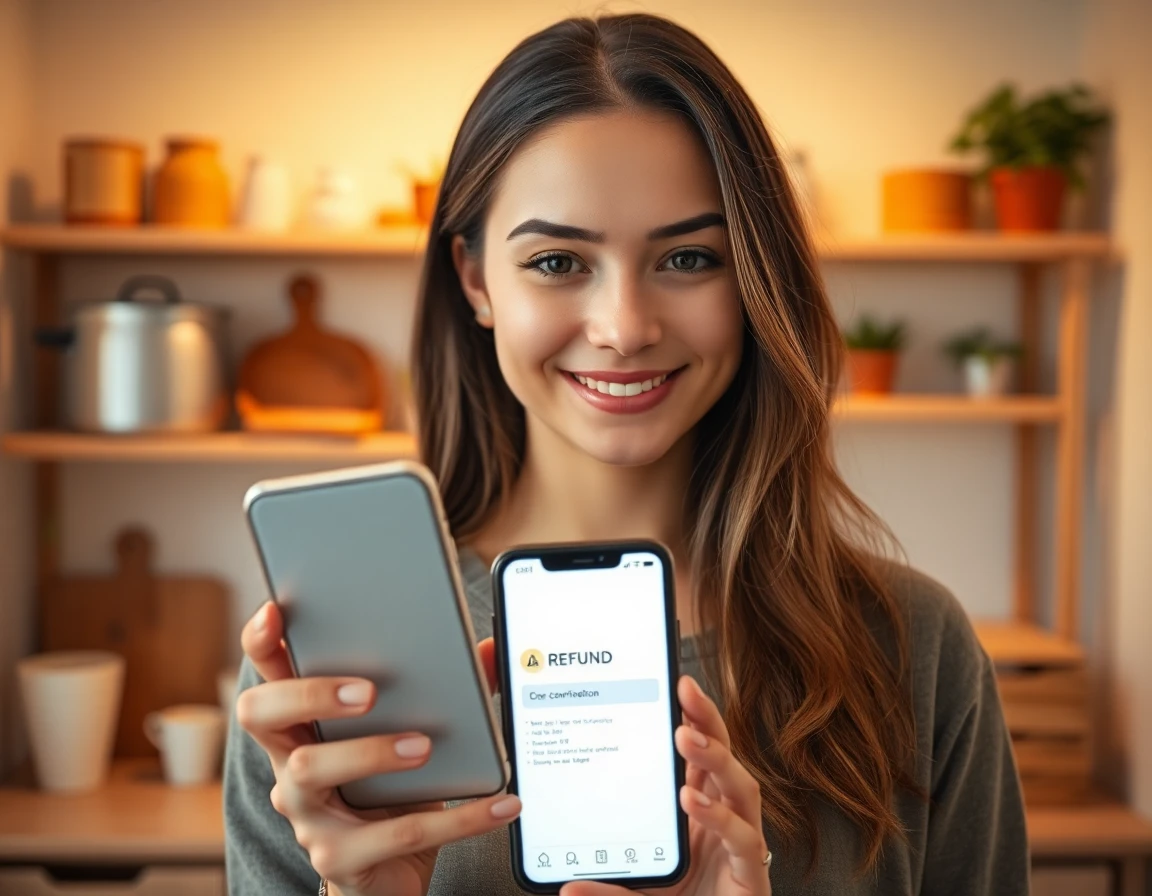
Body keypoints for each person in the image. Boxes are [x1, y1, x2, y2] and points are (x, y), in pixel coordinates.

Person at [224, 12, 1030, 896]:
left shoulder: (914, 648)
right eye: (559, 263)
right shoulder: (334, 670)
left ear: (756, 279)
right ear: (475, 279)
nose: (624, 329)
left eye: (688, 257)